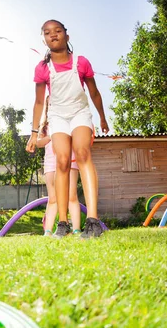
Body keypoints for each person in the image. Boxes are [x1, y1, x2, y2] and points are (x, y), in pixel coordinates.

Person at [26, 19, 109, 239]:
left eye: (57, 31)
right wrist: (34, 133)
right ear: (43, 39)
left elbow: (94, 93)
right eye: (47, 32)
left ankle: (92, 221)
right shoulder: (42, 68)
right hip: (57, 115)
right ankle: (62, 224)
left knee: (82, 153)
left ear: (66, 36)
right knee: (62, 160)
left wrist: (102, 117)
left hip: (80, 112)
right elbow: (38, 102)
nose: (53, 35)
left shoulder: (81, 63)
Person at [36, 97, 81, 236]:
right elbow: (38, 142)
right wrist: (51, 136)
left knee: (71, 196)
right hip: (51, 163)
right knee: (53, 198)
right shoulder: (45, 126)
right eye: (51, 103)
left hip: (70, 161)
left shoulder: (69, 121)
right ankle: (48, 231)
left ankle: (76, 229)